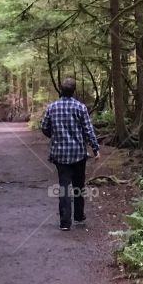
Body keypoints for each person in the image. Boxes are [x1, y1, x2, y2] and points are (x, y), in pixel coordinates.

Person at [40, 77, 99, 231]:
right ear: (74, 91)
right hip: (79, 153)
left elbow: (44, 127)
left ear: (61, 89)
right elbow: (88, 129)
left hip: (60, 154)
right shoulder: (80, 107)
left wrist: (54, 136)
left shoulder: (52, 107)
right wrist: (95, 148)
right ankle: (79, 216)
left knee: (64, 186)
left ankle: (65, 222)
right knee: (79, 185)